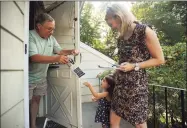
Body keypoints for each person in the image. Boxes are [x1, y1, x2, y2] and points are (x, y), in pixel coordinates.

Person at [104, 4, 165, 128]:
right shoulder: (121, 37)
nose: (114, 27)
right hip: (120, 86)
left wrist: (134, 65)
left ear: (121, 16)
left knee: (140, 124)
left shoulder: (144, 31)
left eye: (113, 23)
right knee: (113, 121)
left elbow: (160, 59)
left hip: (136, 89)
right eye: (111, 25)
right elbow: (124, 60)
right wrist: (116, 70)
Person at [29, 13, 79, 128]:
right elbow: (34, 57)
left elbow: (60, 51)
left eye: (53, 29)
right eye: (49, 29)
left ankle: (33, 125)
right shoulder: (30, 36)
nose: (51, 32)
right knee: (26, 102)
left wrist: (72, 51)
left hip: (41, 78)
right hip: (28, 78)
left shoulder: (51, 39)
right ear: (39, 26)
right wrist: (56, 58)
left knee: (36, 100)